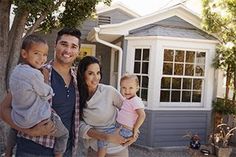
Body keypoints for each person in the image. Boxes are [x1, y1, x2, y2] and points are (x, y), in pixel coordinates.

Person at [0, 27, 81, 157]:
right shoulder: (35, 73)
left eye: (73, 46)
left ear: (78, 51)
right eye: (64, 44)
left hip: (65, 150)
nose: (68, 50)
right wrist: (30, 131)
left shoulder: (78, 80)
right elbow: (4, 109)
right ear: (55, 46)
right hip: (32, 149)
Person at [77, 56, 138, 157]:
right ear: (82, 74)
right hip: (95, 150)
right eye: (90, 73)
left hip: (118, 149)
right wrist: (107, 137)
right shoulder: (77, 96)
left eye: (98, 73)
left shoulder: (109, 91)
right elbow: (78, 125)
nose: (96, 78)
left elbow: (130, 110)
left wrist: (134, 131)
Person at [97, 74, 146, 157]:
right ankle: (126, 141)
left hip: (125, 130)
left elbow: (142, 115)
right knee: (105, 134)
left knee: (103, 138)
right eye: (124, 88)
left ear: (137, 88)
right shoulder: (128, 99)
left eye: (131, 88)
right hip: (120, 127)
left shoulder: (135, 101)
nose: (127, 91)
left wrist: (135, 129)